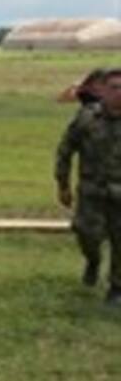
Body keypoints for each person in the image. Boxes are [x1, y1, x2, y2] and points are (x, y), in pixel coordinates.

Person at [55, 67, 121, 305]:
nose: (119, 93)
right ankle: (93, 261)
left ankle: (116, 288)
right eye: (113, 87)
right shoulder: (87, 118)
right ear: (102, 90)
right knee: (86, 234)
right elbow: (66, 149)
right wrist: (63, 184)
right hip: (92, 191)